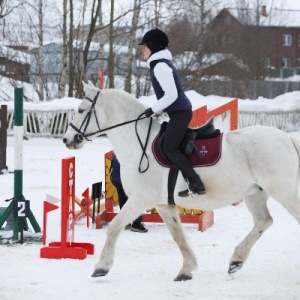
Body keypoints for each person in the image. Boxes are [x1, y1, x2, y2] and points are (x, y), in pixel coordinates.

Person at [139, 28, 206, 197]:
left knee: (169, 148)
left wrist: (153, 109)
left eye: (145, 46)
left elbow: (171, 95)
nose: (143, 50)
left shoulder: (160, 66)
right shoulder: (159, 64)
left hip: (181, 113)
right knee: (167, 145)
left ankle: (195, 183)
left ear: (153, 47)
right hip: (178, 112)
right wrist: (158, 112)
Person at [111, 153, 148, 233]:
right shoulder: (130, 149)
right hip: (127, 179)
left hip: (118, 178)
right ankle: (136, 223)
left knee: (123, 200)